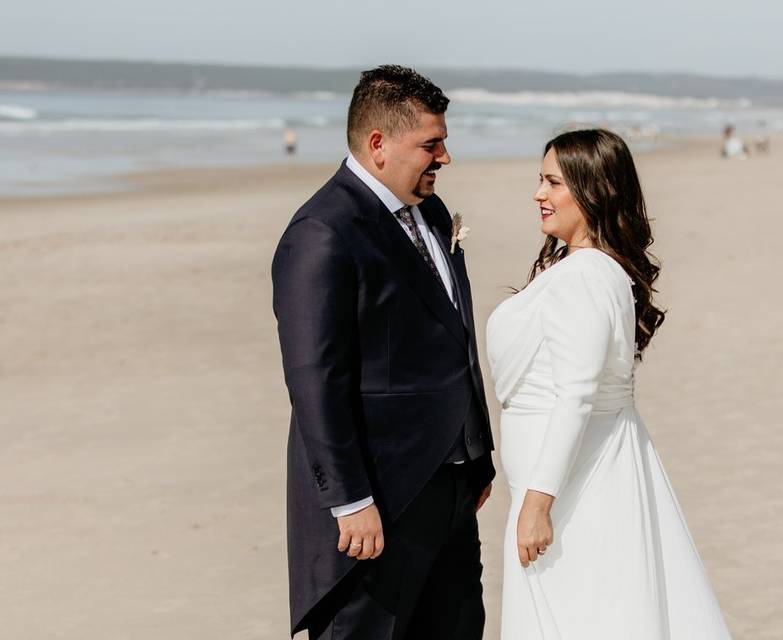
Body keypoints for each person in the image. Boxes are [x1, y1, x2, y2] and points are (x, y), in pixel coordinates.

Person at [271, 65, 495, 640]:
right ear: (378, 145)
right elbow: (314, 378)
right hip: (379, 499)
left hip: (449, 488)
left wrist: (477, 452)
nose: (445, 157)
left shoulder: (435, 214)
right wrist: (349, 499)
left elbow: (453, 338)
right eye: (431, 144)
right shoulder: (323, 232)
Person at [486, 129, 731, 639]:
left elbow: (576, 393)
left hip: (573, 488)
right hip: (574, 476)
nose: (539, 194)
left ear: (591, 190)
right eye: (540, 180)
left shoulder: (587, 275)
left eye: (553, 182)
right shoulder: (588, 270)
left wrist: (537, 504)